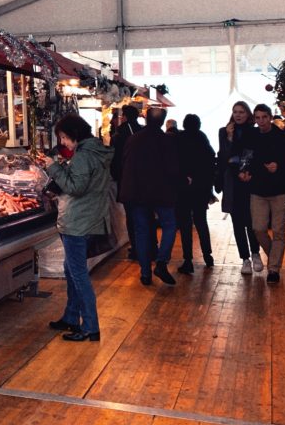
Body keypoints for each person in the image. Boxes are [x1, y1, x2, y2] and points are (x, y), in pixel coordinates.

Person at [36, 114, 113, 342]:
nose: (63, 143)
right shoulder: (97, 152)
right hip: (89, 218)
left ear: (73, 135)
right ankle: (71, 317)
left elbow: (74, 187)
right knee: (71, 270)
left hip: (78, 222)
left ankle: (90, 326)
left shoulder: (83, 156)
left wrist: (53, 168)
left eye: (63, 137)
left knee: (78, 275)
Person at [241, 104, 285, 284]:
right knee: (258, 229)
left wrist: (279, 166)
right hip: (257, 188)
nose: (261, 121)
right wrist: (244, 171)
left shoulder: (283, 138)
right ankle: (274, 257)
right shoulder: (251, 136)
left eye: (264, 117)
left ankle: (274, 269)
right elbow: (246, 157)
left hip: (279, 190)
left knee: (278, 231)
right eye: (258, 118)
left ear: (270, 117)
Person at [121, 107, 181, 286]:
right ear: (163, 122)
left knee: (142, 231)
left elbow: (125, 164)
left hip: (137, 192)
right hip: (162, 192)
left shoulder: (134, 139)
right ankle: (161, 262)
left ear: (146, 119)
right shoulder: (167, 141)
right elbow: (173, 168)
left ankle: (145, 273)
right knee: (169, 225)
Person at [215, 101, 262, 276]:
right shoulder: (225, 131)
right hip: (232, 182)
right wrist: (228, 138)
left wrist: (249, 172)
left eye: (241, 112)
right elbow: (224, 157)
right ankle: (245, 259)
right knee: (237, 221)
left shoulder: (254, 132)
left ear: (247, 114)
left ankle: (255, 253)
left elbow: (256, 155)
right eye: (235, 112)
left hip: (250, 180)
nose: (238, 115)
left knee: (251, 220)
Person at [175, 114, 215, 274]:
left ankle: (188, 260)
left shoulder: (179, 139)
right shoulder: (203, 139)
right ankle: (208, 256)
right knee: (201, 222)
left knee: (185, 226)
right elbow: (211, 162)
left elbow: (176, 162)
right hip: (201, 189)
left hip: (184, 188)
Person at [110, 104, 143, 261]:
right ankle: (149, 246)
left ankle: (136, 248)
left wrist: (115, 176)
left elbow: (114, 157)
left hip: (126, 180)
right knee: (144, 214)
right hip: (143, 180)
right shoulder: (142, 131)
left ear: (125, 116)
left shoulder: (120, 133)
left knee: (131, 215)